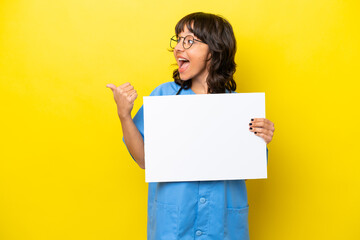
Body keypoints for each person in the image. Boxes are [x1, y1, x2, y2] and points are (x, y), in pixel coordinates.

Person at [106, 12, 275, 240]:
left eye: (189, 41)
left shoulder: (239, 108)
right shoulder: (164, 96)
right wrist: (124, 115)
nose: (178, 48)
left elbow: (248, 166)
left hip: (222, 226)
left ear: (214, 51)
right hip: (174, 225)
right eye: (178, 39)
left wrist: (261, 137)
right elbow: (144, 160)